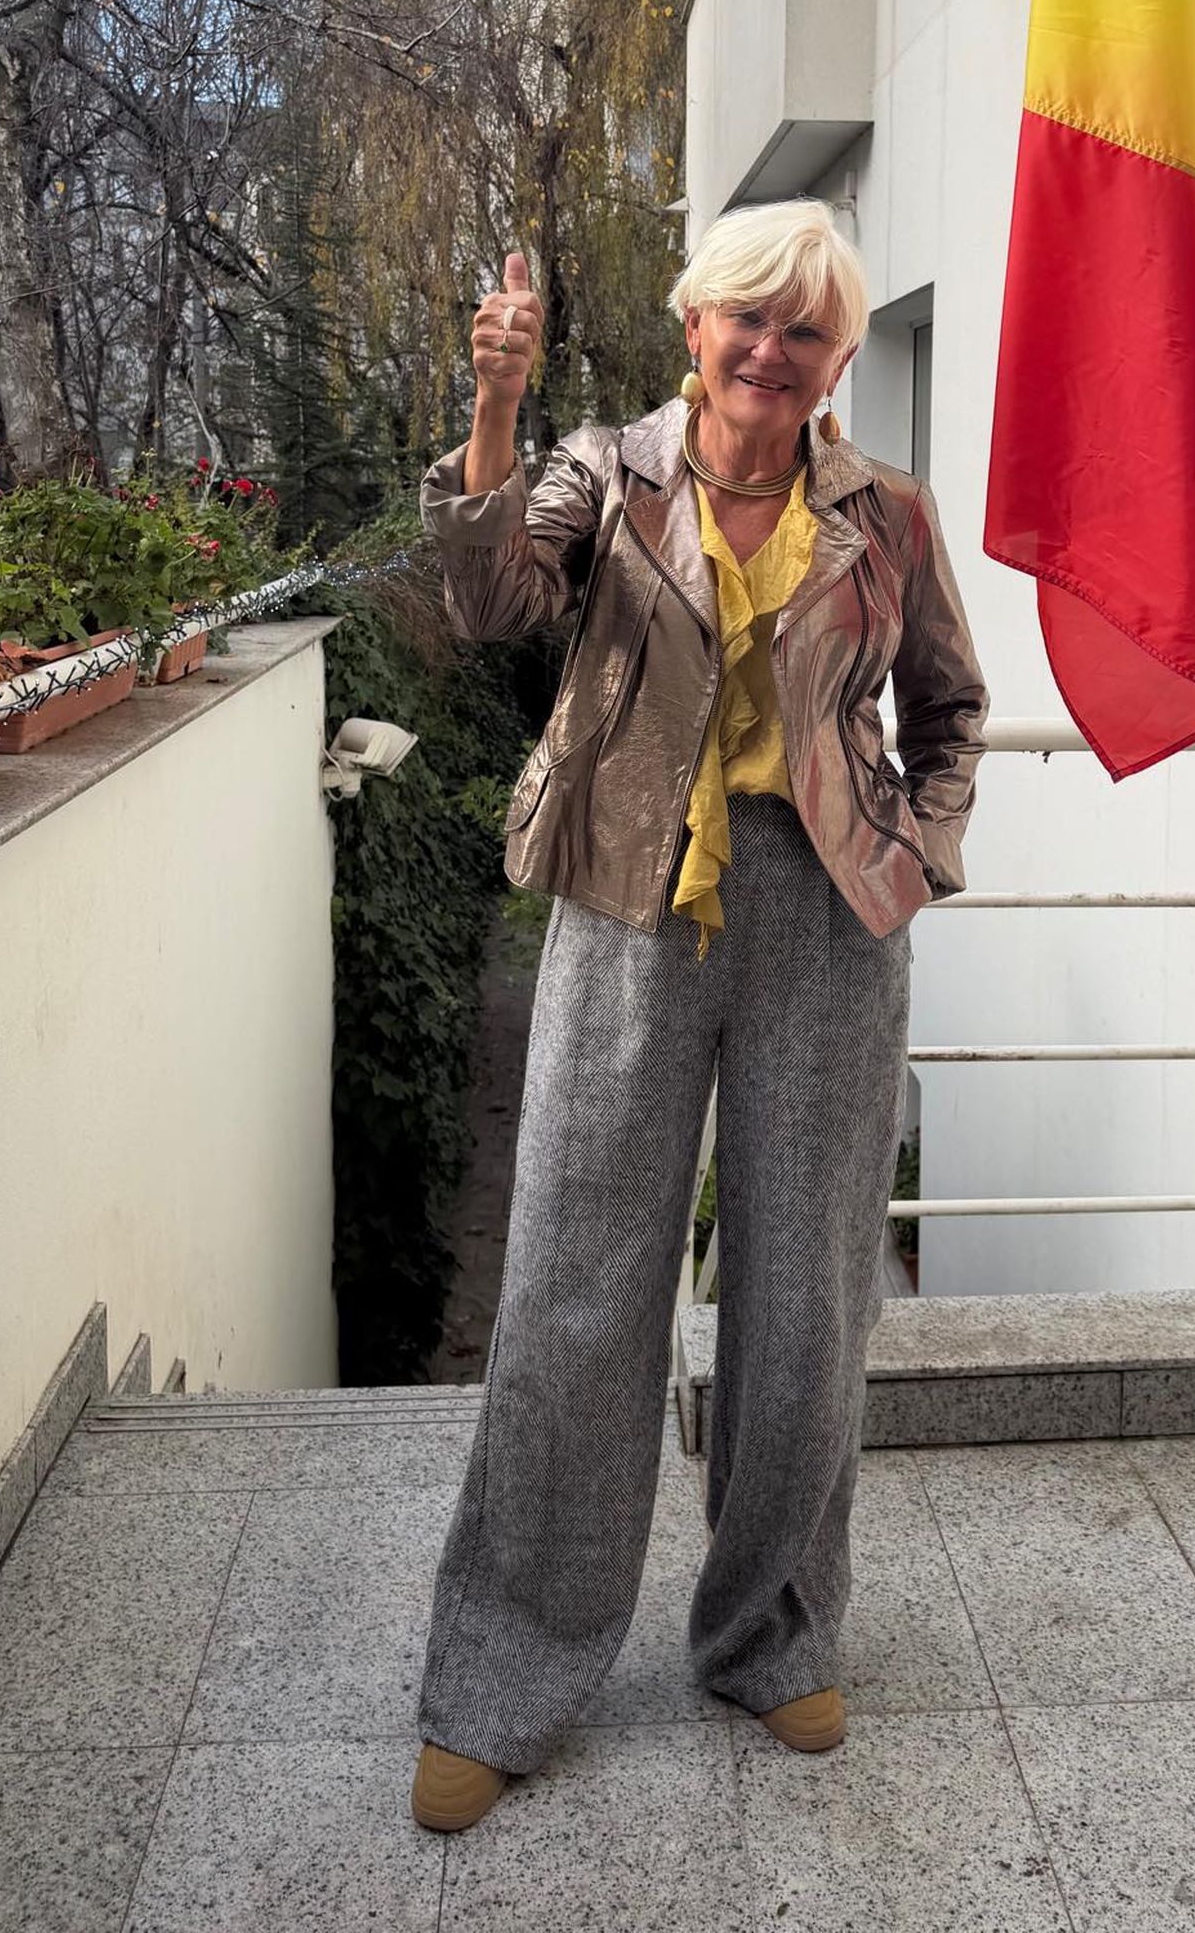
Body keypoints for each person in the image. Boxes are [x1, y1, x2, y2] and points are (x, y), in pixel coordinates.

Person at [408, 198, 988, 1832]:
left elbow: (949, 706)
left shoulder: (887, 514)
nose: (771, 350)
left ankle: (770, 1634)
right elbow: (491, 604)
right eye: (749, 317)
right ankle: (507, 1672)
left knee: (808, 1297)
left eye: (807, 329)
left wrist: (921, 850)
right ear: (695, 327)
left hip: (829, 920)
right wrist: (497, 409)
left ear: (840, 358)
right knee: (575, 1290)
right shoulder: (607, 474)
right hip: (628, 898)